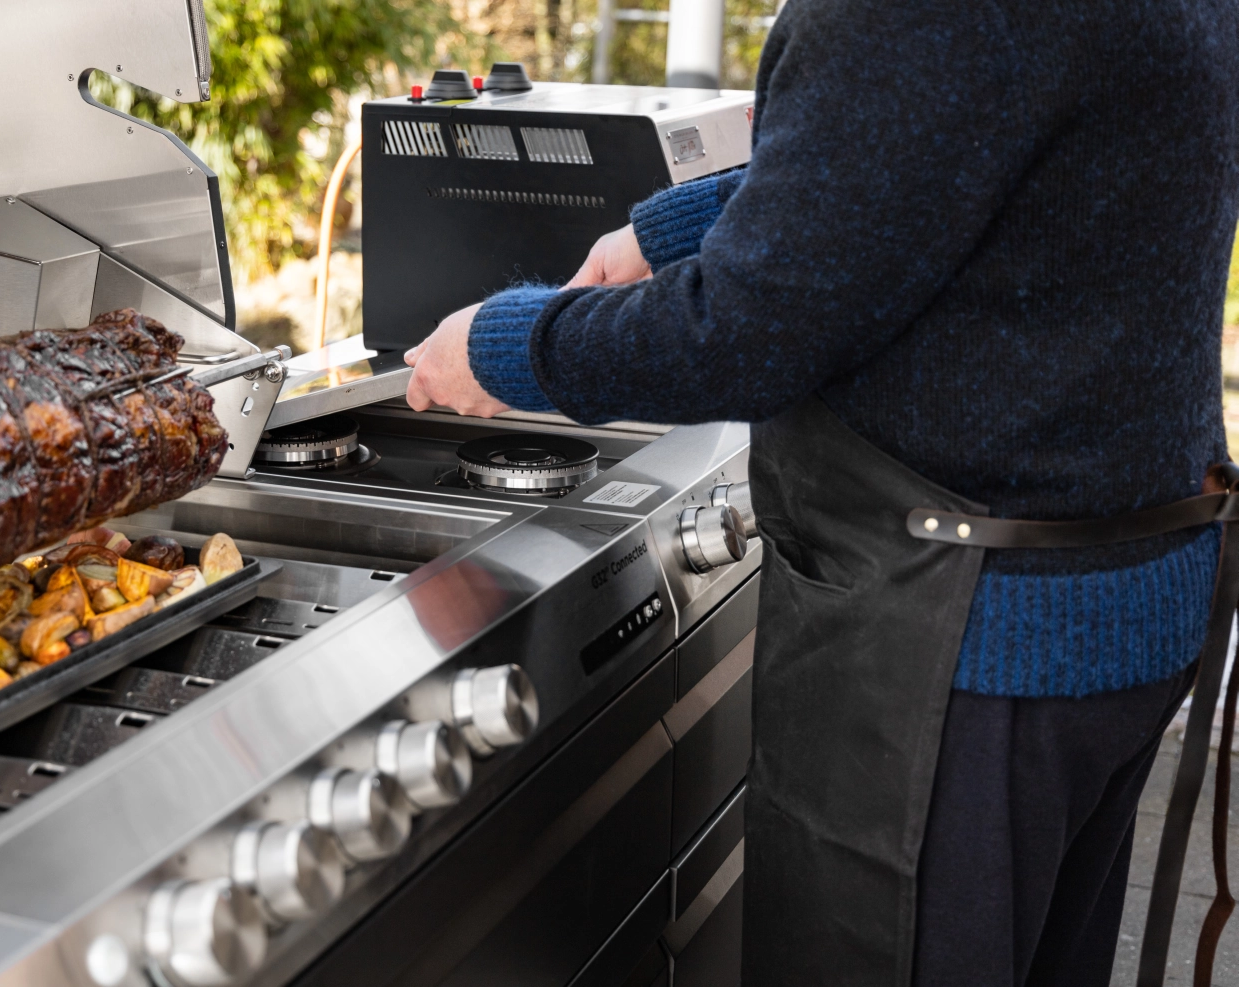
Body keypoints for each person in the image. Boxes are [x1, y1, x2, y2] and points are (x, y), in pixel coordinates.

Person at [401, 0, 1239, 983]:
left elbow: (744, 338)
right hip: (1116, 593)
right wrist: (679, 228)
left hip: (963, 643)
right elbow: (935, 138)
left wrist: (502, 347)